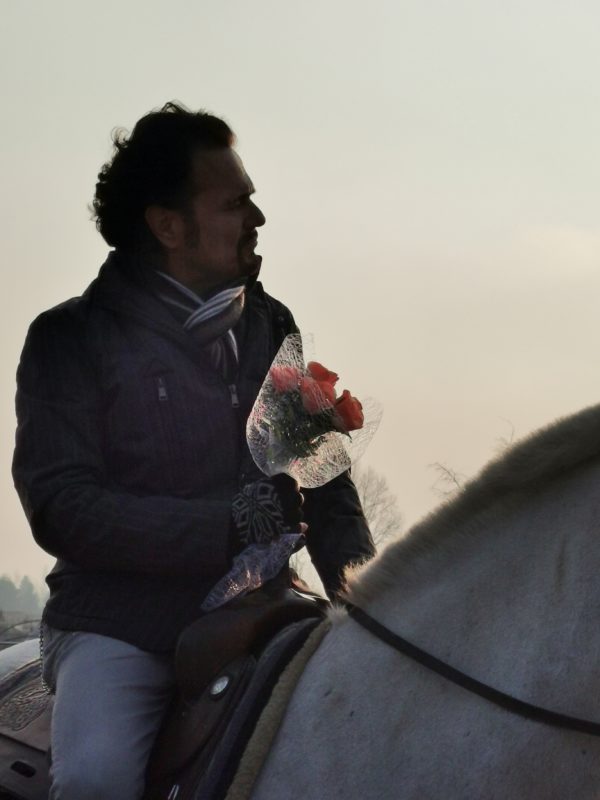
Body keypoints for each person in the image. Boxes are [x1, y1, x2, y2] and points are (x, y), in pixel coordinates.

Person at [12, 102, 375, 799]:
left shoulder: (272, 324)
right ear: (169, 225)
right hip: (121, 631)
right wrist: (226, 526)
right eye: (237, 204)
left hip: (268, 616)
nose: (258, 220)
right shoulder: (66, 340)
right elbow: (63, 509)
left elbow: (324, 488)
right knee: (96, 781)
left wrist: (368, 599)